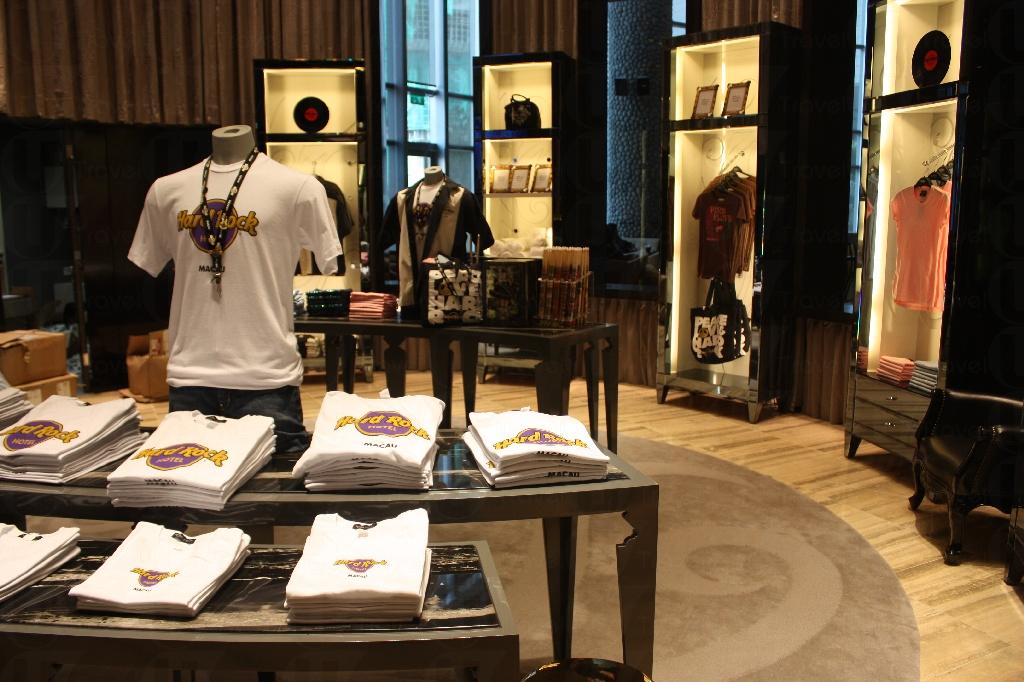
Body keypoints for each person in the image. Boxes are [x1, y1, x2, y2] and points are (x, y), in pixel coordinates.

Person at [128, 125, 342, 452]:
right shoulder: (165, 191)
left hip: (268, 379)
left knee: (273, 483)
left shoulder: (299, 188)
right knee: (191, 480)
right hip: (190, 378)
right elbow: (149, 258)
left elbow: (328, 259)